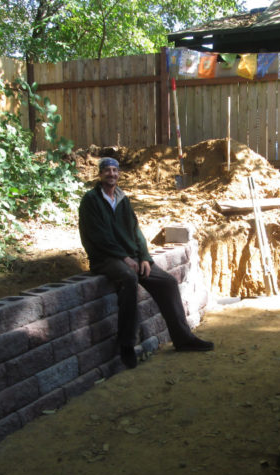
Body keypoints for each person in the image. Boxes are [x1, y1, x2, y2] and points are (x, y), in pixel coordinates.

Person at [78, 157, 214, 368]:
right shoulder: (91, 201)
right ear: (100, 174)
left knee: (167, 282)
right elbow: (98, 237)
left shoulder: (122, 198)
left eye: (115, 170)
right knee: (129, 278)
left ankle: (183, 339)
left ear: (119, 174)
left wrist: (144, 258)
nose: (111, 174)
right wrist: (125, 259)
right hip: (105, 258)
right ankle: (127, 345)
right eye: (107, 170)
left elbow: (136, 231)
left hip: (131, 257)